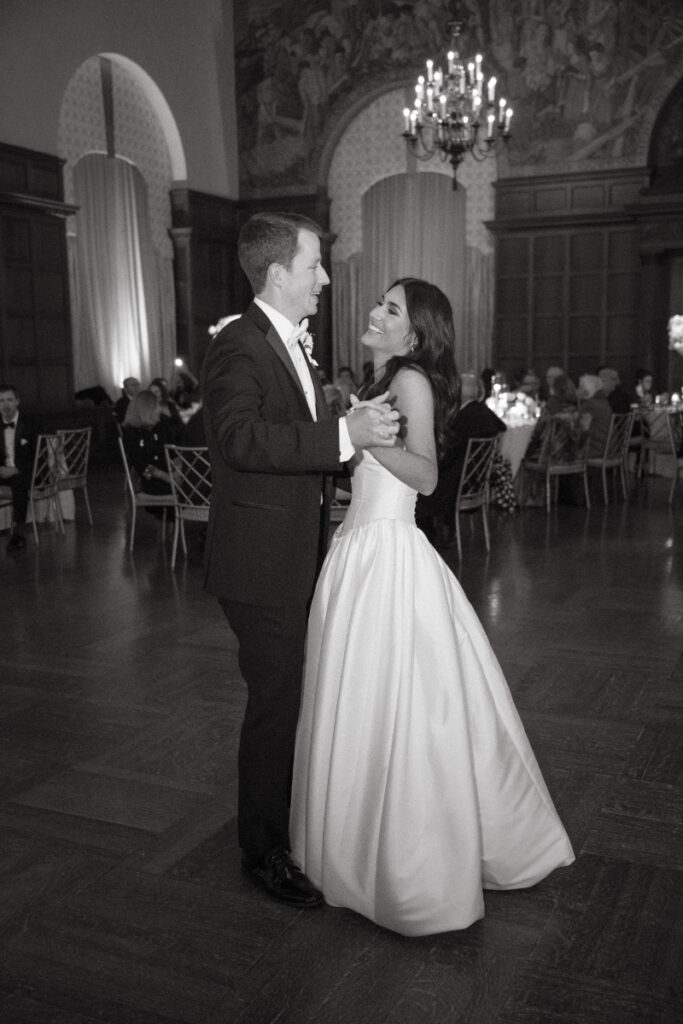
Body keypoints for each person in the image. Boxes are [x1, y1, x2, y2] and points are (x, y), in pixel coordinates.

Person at [290, 278, 574, 937]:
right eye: (379, 304)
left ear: (414, 332)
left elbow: (423, 476)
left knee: (398, 700)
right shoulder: (386, 377)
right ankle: (359, 847)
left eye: (389, 308)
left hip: (387, 551)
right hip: (359, 549)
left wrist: (354, 438)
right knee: (363, 697)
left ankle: (409, 864)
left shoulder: (410, 379)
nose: (372, 312)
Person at [200, 211, 400, 910]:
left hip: (291, 555)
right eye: (314, 265)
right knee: (276, 704)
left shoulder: (290, 345)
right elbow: (241, 441)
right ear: (277, 272)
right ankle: (262, 852)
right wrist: (339, 433)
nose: (322, 278)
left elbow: (298, 446)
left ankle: (282, 826)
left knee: (290, 699)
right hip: (259, 567)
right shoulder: (238, 346)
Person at [416, 370, 506, 546]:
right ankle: (443, 528)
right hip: (476, 481)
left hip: (458, 484)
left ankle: (428, 539)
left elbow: (449, 454)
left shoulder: (464, 417)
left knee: (420, 484)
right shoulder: (483, 412)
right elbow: (501, 427)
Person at [121, 390, 176, 510]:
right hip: (151, 481)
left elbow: (173, 452)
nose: (160, 410)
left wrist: (177, 470)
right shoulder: (131, 433)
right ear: (147, 409)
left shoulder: (161, 426)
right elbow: (140, 465)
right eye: (157, 406)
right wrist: (163, 475)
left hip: (170, 475)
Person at [0, 383, 37, 553]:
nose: (5, 405)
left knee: (19, 484)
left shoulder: (30, 423)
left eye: (9, 400)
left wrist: (15, 469)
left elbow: (39, 455)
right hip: (3, 471)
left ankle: (18, 533)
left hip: (26, 471)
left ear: (17, 402)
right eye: (1, 401)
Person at [578, 373, 613, 457]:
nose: (577, 390)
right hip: (610, 448)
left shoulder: (589, 405)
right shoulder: (604, 402)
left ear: (587, 390)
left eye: (580, 388)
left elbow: (581, 429)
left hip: (596, 449)